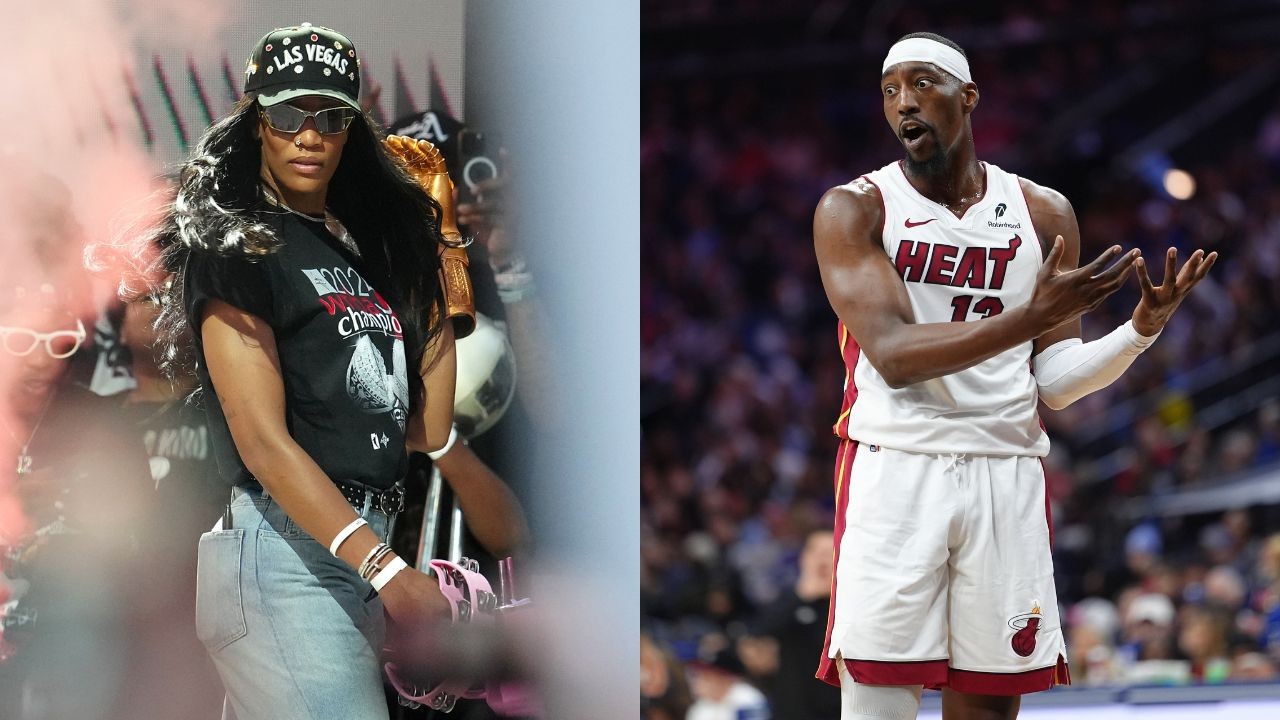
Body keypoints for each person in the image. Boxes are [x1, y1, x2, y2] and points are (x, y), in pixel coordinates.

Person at [812, 32, 1216, 720]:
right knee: (880, 699)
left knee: (990, 707)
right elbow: (895, 353)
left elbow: (1054, 381)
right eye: (890, 90)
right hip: (898, 464)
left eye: (923, 84)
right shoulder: (855, 209)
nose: (904, 102)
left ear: (968, 97)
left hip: (1008, 470)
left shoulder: (1043, 212)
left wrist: (1139, 332)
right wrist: (1027, 317)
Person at [140, 23, 475, 719]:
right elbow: (260, 439)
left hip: (343, 554)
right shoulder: (240, 243)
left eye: (331, 116)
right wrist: (385, 568)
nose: (309, 134)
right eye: (290, 113)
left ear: (351, 130)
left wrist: (436, 239)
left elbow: (427, 425)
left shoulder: (355, 254)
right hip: (287, 554)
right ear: (258, 120)